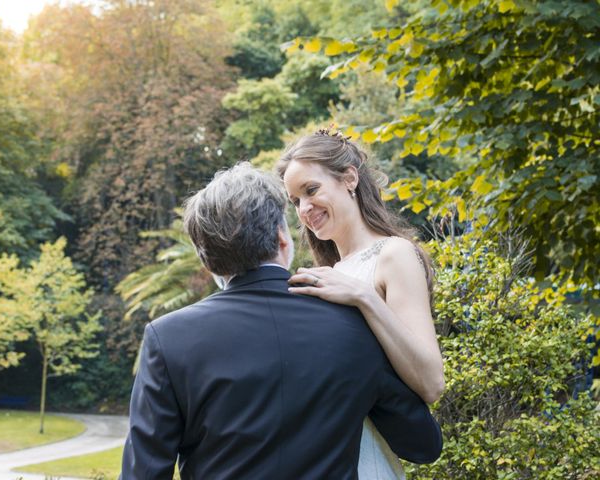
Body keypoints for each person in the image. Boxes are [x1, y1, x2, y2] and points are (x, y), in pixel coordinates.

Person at [120, 163, 442, 479]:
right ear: (282, 238)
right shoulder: (353, 322)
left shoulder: (168, 338)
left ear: (209, 262)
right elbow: (422, 445)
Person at [277, 130, 445, 480]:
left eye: (311, 190)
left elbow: (431, 382)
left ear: (349, 178)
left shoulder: (393, 254)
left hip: (368, 460)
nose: (304, 208)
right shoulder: (330, 274)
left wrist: (364, 297)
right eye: (295, 201)